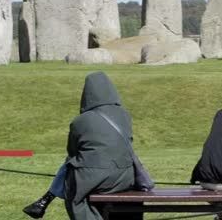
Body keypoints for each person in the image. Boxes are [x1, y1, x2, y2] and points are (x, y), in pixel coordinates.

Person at [23, 72, 149, 220]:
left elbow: (72, 151)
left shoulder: (80, 122)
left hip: (92, 179)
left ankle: (47, 198)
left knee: (75, 196)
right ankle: (45, 199)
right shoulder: (125, 115)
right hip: (124, 177)